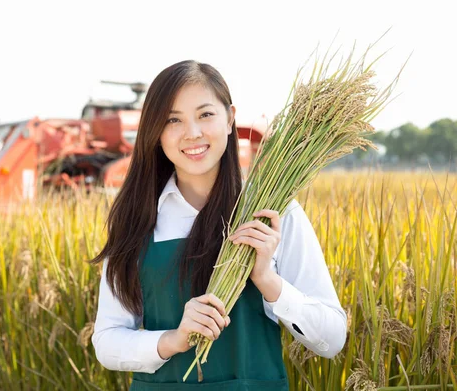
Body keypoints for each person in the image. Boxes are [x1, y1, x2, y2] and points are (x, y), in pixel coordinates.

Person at [90, 60, 347, 390]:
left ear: (230, 118)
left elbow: (333, 338)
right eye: (173, 120)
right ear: (155, 131)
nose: (192, 132)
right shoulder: (137, 218)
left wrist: (268, 281)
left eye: (205, 114)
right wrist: (173, 339)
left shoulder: (274, 212)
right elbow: (107, 341)